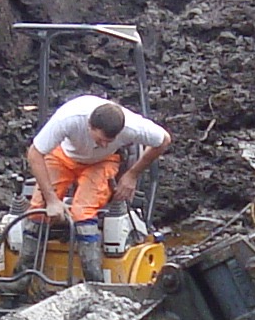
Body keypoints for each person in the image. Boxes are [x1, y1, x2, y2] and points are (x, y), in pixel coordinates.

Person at [24, 95, 170, 282]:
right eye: (101, 139)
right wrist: (52, 200)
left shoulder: (133, 126)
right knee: (38, 210)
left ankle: (95, 284)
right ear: (89, 126)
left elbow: (164, 140)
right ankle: (22, 279)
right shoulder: (69, 119)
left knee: (83, 211)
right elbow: (34, 153)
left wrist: (132, 174)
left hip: (103, 161)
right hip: (63, 156)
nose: (104, 144)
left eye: (110, 140)